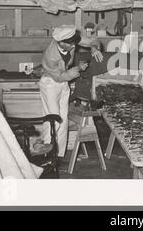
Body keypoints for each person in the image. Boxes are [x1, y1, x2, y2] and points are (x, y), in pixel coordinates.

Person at [39, 25, 103, 157]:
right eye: (70, 44)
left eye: (75, 42)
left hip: (63, 83)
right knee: (52, 120)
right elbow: (58, 77)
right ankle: (45, 156)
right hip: (51, 83)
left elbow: (93, 40)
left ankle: (58, 156)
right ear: (60, 42)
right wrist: (78, 69)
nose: (74, 46)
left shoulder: (70, 40)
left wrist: (94, 48)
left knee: (62, 120)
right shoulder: (50, 56)